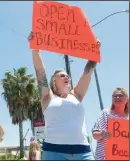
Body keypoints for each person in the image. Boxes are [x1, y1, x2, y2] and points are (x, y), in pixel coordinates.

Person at [28, 31, 99, 160]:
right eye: (61, 75)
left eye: (67, 75)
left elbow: (88, 72)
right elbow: (40, 71)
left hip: (83, 151)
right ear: (54, 81)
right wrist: (35, 48)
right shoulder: (48, 97)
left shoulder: (76, 95)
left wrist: (95, 51)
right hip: (54, 152)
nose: (66, 76)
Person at [92, 88, 129, 160]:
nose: (117, 97)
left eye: (120, 95)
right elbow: (95, 135)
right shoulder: (105, 113)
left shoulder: (127, 119)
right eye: (114, 96)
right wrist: (101, 134)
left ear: (126, 99)